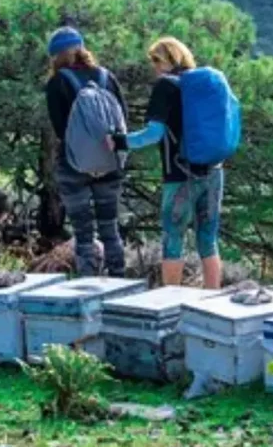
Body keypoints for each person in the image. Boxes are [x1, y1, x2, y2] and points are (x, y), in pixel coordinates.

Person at [118, 37, 226, 289]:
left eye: (156, 60)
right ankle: (213, 300)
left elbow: (153, 134)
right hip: (214, 171)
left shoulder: (165, 86)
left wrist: (119, 141)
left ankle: (171, 301)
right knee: (208, 240)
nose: (154, 67)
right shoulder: (203, 86)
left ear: (169, 59)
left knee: (173, 239)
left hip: (179, 175)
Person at [45, 27, 128, 276]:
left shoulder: (58, 81)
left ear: (56, 55)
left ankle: (88, 283)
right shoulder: (106, 77)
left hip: (73, 164)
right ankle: (119, 280)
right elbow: (122, 118)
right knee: (109, 227)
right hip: (109, 162)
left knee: (83, 232)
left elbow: (60, 128)